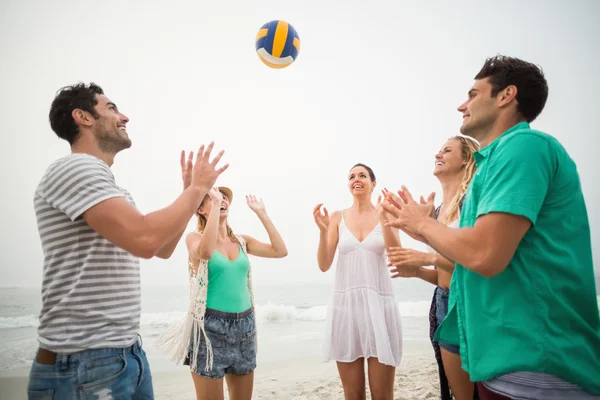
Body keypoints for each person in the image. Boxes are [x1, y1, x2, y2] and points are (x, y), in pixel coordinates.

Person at [382, 55, 600, 399]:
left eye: (472, 94)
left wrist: (424, 225)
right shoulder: (491, 165)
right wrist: (422, 230)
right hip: (500, 364)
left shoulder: (525, 146)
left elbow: (484, 254)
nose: (461, 105)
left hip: (538, 369)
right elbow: (473, 260)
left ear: (505, 96)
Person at [28, 83, 228, 399]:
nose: (124, 116)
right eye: (111, 108)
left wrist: (189, 193)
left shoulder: (115, 190)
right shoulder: (73, 168)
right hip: (83, 363)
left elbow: (162, 248)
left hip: (125, 354)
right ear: (82, 117)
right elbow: (146, 239)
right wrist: (195, 191)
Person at [160, 187, 287, 400]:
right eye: (213, 198)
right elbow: (205, 252)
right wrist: (214, 217)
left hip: (245, 328)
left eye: (224, 197)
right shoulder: (194, 238)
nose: (221, 199)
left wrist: (262, 214)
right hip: (209, 330)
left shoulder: (241, 241)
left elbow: (280, 251)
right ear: (200, 209)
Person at [387, 136, 479, 400]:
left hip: (470, 305)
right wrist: (416, 271)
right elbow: (445, 276)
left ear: (465, 159)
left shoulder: (471, 203)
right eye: (438, 150)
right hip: (443, 301)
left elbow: (479, 261)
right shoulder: (438, 212)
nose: (438, 154)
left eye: (447, 150)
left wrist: (427, 257)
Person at [313, 163, 403, 400]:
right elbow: (324, 264)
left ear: (374, 183)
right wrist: (323, 232)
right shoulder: (336, 217)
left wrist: (386, 219)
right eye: (352, 176)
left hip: (379, 308)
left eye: (362, 175)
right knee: (352, 394)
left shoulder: (386, 213)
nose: (356, 179)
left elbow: (397, 257)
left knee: (382, 394)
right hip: (346, 310)